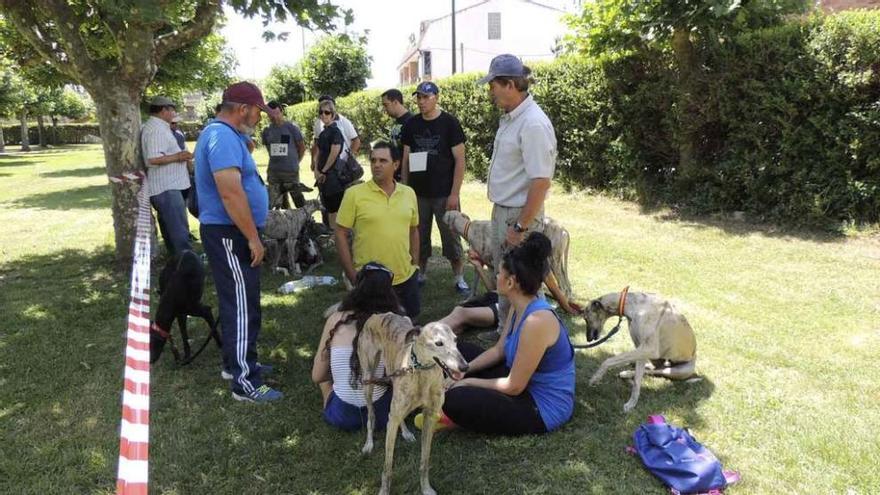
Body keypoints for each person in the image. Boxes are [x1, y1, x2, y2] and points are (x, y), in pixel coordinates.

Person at [417, 232, 575, 435]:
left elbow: (514, 387)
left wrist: (467, 382)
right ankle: (449, 395)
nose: (496, 277)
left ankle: (451, 410)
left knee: (454, 399)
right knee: (456, 352)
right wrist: (465, 369)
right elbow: (500, 350)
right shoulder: (518, 306)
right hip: (520, 383)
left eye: (499, 273)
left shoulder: (537, 322)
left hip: (539, 406)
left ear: (511, 282)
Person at [194, 81, 281, 403]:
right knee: (241, 306)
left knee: (241, 302)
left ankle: (239, 364)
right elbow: (230, 192)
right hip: (230, 233)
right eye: (258, 111)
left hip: (231, 231)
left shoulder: (225, 136)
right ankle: (245, 382)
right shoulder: (220, 137)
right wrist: (253, 238)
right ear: (243, 109)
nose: (260, 117)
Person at [480, 53, 557, 327]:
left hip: (518, 216)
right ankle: (507, 337)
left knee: (522, 284)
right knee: (507, 279)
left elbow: (541, 182)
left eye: (493, 86)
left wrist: (521, 227)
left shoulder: (533, 123)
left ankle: (526, 341)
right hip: (506, 212)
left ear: (510, 85)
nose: (491, 92)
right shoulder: (513, 118)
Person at [311, 262, 403, 431]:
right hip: (383, 416)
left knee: (324, 380)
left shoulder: (335, 320)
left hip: (342, 417)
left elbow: (317, 376)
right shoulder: (396, 323)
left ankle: (332, 401)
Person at [335, 141, 421, 318]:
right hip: (370, 281)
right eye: (373, 160)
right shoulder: (354, 194)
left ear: (396, 165)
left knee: (407, 333)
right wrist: (352, 274)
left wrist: (415, 266)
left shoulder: (409, 193)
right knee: (371, 334)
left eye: (383, 161)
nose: (376, 165)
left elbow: (414, 230)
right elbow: (340, 233)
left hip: (405, 279)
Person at [400, 81, 468, 294]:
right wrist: (404, 187)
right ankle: (420, 273)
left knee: (451, 236)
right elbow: (406, 158)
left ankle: (459, 277)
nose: (421, 102)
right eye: (418, 97)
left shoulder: (450, 123)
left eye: (425, 97)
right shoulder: (411, 124)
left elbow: (460, 160)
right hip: (417, 193)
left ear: (436, 97)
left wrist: (454, 193)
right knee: (418, 234)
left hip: (444, 193)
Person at [141, 96, 193, 256]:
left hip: (168, 186)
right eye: (172, 109)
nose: (174, 113)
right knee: (178, 229)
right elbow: (153, 158)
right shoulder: (156, 129)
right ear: (164, 110)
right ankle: (187, 262)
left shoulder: (159, 127)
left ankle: (178, 261)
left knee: (172, 229)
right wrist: (179, 156)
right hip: (166, 187)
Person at [261, 100, 306, 209]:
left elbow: (302, 147)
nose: (275, 117)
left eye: (277, 113)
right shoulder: (266, 131)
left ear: (281, 112)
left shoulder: (291, 128)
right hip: (274, 173)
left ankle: (307, 221)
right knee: (274, 201)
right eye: (271, 115)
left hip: (290, 171)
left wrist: (295, 161)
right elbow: (269, 150)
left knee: (298, 199)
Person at [313, 99, 349, 228]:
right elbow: (319, 153)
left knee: (335, 209)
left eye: (327, 112)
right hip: (323, 175)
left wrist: (324, 171)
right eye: (321, 112)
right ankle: (331, 236)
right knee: (328, 207)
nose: (323, 115)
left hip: (333, 176)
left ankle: (336, 238)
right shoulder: (323, 132)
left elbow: (334, 154)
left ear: (333, 114)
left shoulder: (335, 132)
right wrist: (317, 170)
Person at [381, 88, 413, 181]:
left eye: (386, 105)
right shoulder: (396, 122)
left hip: (406, 178)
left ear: (395, 102)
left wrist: (405, 178)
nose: (384, 109)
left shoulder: (412, 122)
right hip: (394, 175)